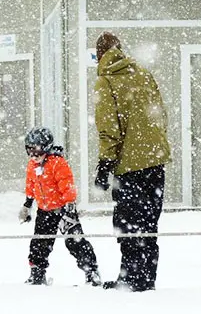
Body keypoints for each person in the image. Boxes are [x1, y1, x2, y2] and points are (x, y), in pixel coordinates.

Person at [92, 32, 171, 292]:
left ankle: (130, 279)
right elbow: (161, 115)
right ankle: (147, 278)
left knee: (126, 223)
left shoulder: (106, 81)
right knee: (149, 224)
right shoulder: (143, 74)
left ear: (100, 55)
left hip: (128, 167)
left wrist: (105, 165)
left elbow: (109, 130)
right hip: (154, 162)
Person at [19, 127, 102, 286]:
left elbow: (67, 184)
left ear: (46, 147)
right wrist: (27, 205)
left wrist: (69, 205)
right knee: (39, 243)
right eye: (30, 151)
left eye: (36, 150)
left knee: (74, 241)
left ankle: (91, 271)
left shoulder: (57, 163)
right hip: (44, 211)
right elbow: (31, 185)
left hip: (63, 209)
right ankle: (37, 273)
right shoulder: (32, 166)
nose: (33, 155)